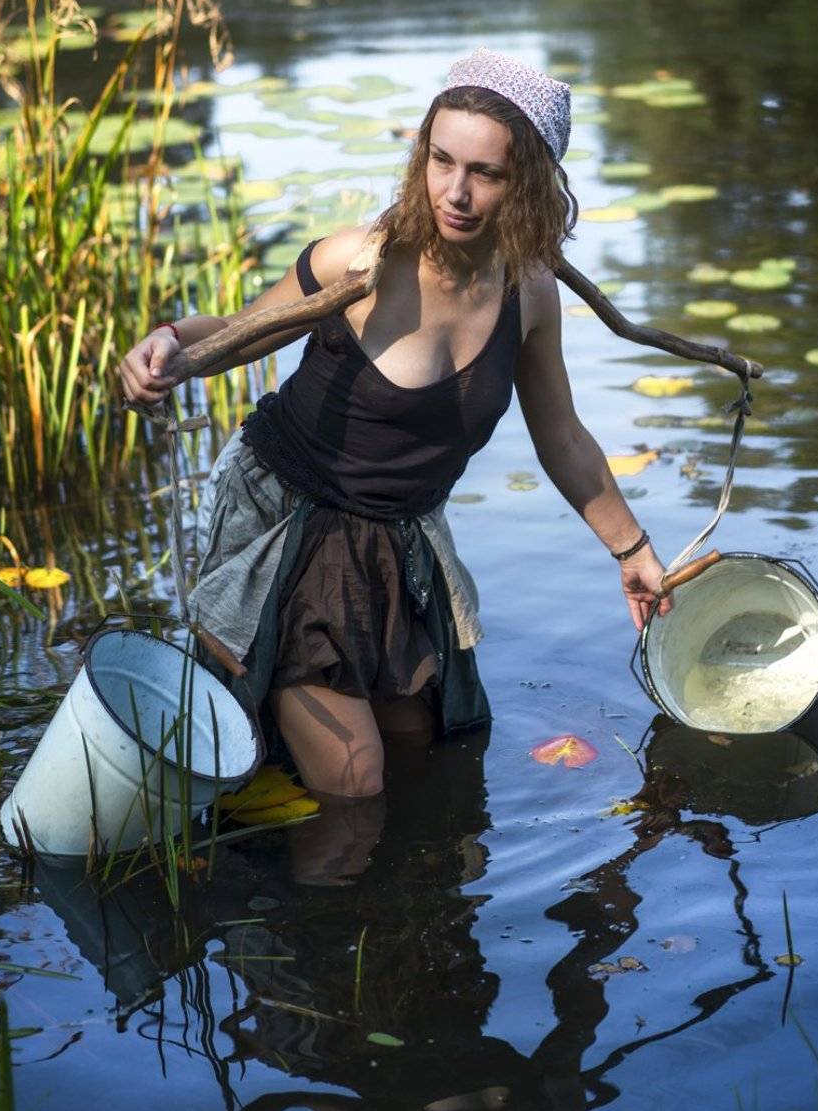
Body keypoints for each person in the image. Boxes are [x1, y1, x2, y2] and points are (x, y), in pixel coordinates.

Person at [119, 48, 669, 808]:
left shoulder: (530, 293)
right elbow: (237, 335)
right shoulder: (357, 262)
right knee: (357, 782)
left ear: (530, 186)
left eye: (486, 173)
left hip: (399, 543)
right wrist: (169, 345)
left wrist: (632, 551)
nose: (456, 193)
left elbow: (563, 438)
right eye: (441, 161)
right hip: (293, 535)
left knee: (427, 751)